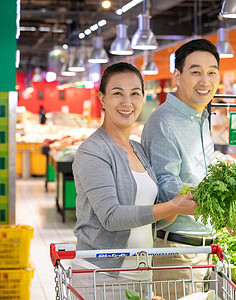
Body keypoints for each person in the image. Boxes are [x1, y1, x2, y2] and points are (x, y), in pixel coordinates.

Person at [72, 62, 197, 298]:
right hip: (102, 278)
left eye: (135, 94)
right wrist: (172, 206)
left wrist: (178, 208)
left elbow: (149, 221)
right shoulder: (93, 151)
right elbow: (111, 217)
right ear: (102, 98)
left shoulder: (138, 149)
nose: (127, 102)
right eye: (117, 93)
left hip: (141, 275)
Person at [141, 39, 221, 298]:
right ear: (177, 76)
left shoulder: (201, 117)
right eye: (196, 72)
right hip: (177, 253)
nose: (205, 81)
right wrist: (212, 205)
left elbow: (202, 175)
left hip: (205, 249)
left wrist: (225, 215)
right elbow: (168, 185)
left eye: (212, 72)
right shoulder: (163, 121)